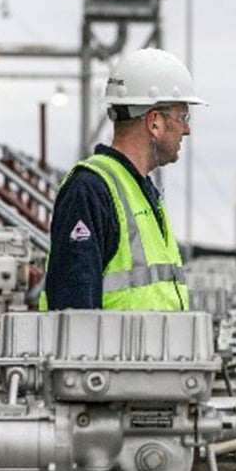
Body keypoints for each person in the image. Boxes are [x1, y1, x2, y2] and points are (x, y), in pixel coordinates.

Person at [41, 48, 204, 311]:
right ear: (154, 123)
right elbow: (73, 317)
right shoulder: (90, 191)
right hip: (115, 354)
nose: (187, 129)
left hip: (152, 353)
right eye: (182, 117)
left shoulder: (140, 190)